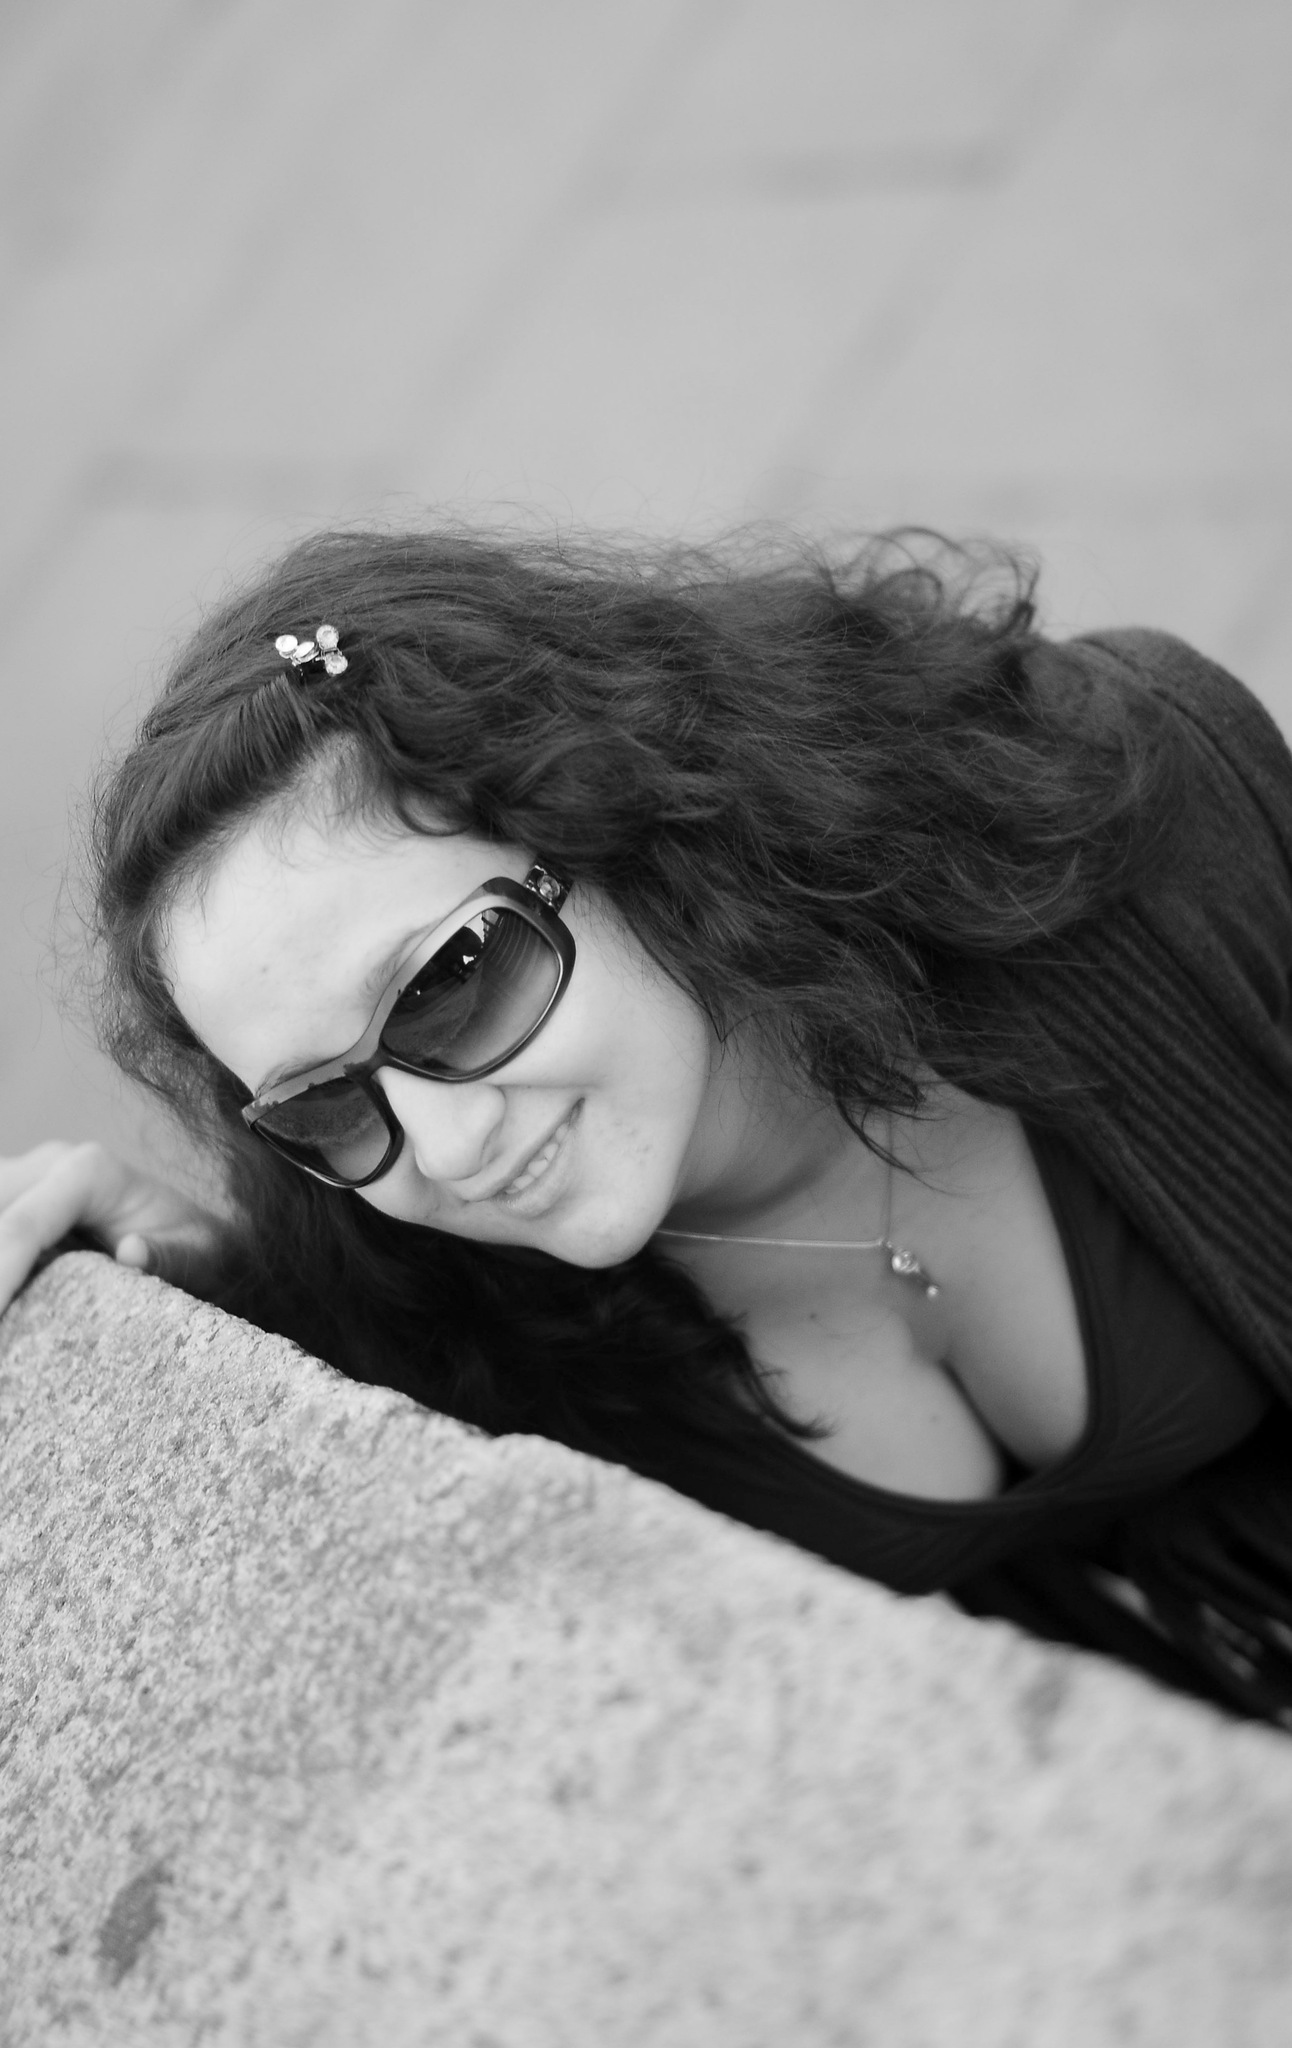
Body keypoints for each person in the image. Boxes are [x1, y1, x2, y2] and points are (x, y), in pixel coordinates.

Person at [3, 525, 1292, 1725]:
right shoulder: (456, 1301)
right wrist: (217, 1295)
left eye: (452, 986)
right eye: (325, 1105)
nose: (445, 1151)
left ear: (604, 811)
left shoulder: (1155, 817)